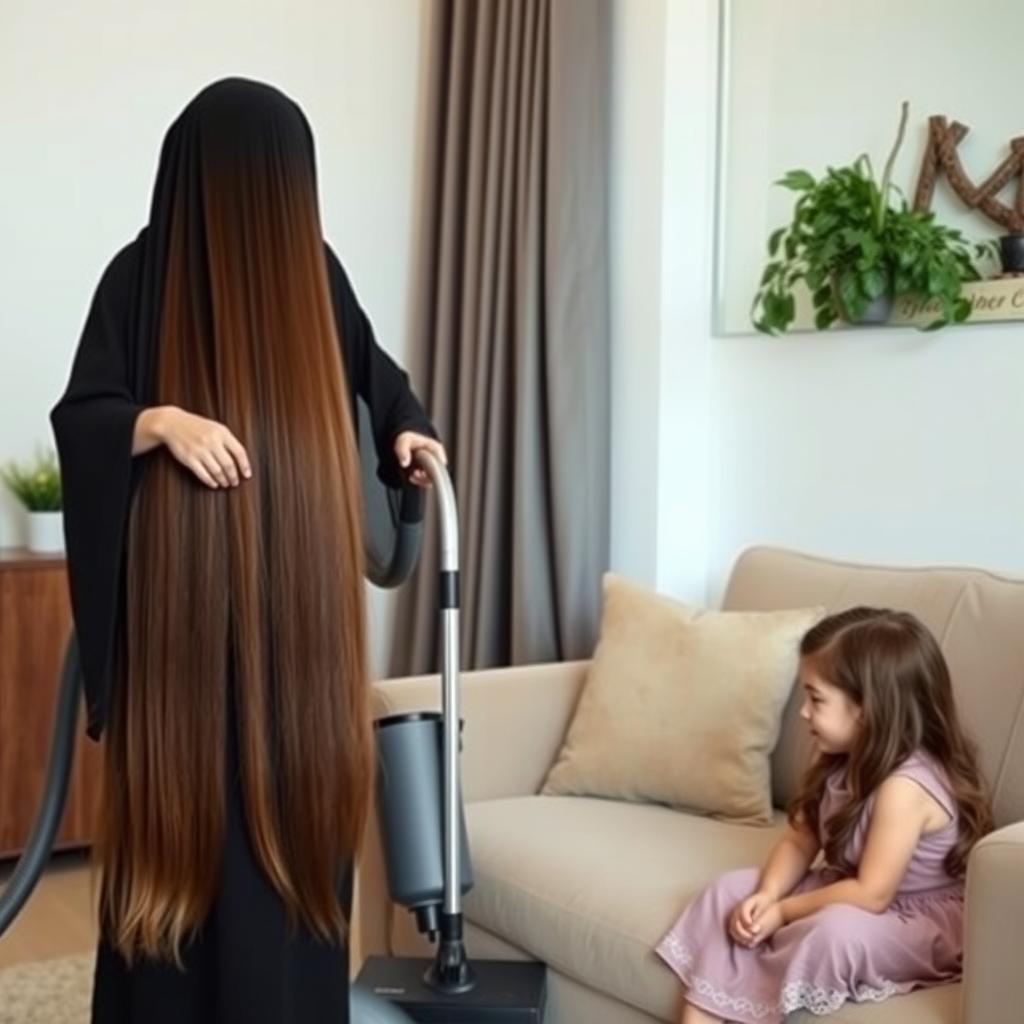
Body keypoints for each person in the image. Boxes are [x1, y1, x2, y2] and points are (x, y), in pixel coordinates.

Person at [49, 77, 446, 1024]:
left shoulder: (316, 273)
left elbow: (378, 376)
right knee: (181, 839)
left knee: (290, 827)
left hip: (294, 618)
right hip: (177, 631)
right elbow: (84, 416)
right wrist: (157, 421)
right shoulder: (137, 278)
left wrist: (409, 432)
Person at [655, 607, 993, 1024]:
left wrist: (782, 913)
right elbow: (800, 839)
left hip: (907, 915)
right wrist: (769, 895)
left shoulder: (904, 788)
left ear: (868, 710)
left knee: (833, 933)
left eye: (816, 699)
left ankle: (748, 1006)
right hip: (846, 887)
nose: (804, 713)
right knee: (729, 894)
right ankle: (700, 1017)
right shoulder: (839, 758)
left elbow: (872, 894)